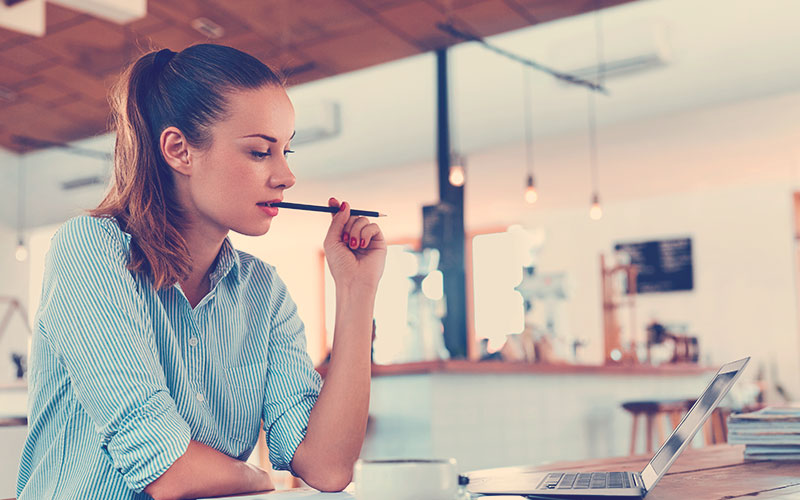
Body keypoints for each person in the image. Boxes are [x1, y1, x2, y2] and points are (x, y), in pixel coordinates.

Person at [16, 44, 386, 500]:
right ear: (179, 150)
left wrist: (355, 291)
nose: (287, 175)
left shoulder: (263, 293)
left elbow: (327, 468)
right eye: (259, 152)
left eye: (285, 151)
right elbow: (166, 469)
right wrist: (255, 477)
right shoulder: (90, 250)